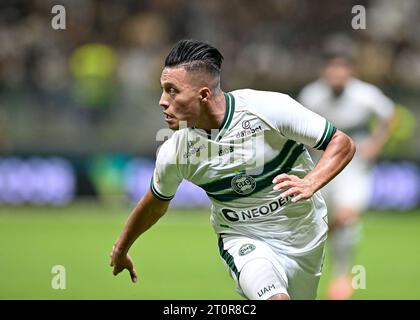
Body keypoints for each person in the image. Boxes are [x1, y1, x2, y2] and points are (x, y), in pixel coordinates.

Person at [109, 39, 355, 300]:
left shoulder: (268, 109)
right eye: (162, 90)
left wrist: (311, 181)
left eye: (172, 91)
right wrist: (122, 248)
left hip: (305, 236)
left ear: (203, 95)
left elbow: (342, 143)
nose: (162, 101)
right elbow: (154, 205)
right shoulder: (176, 152)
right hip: (243, 239)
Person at [298, 53, 395, 300]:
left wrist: (376, 143)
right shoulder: (312, 95)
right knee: (323, 221)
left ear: (350, 72)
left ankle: (342, 275)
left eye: (342, 70)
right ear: (325, 72)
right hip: (321, 166)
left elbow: (390, 115)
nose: (337, 76)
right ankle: (313, 258)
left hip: (355, 165)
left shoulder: (366, 94)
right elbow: (296, 126)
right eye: (332, 70)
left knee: (347, 215)